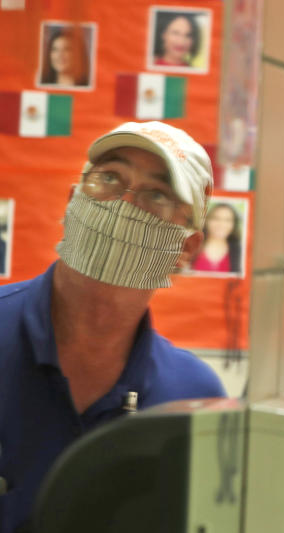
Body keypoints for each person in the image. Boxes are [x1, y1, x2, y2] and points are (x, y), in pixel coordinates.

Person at [0, 121, 226, 533]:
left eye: (157, 194)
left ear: (186, 248)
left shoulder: (195, 399)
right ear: (73, 200)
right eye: (109, 178)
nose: (123, 202)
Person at [191, 202, 242, 274]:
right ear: (206, 221)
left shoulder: (239, 251)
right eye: (216, 218)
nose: (221, 224)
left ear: (233, 224)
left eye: (227, 220)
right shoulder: (193, 245)